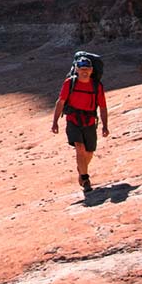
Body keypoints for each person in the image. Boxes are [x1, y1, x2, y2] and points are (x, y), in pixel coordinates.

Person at [51, 55, 109, 191]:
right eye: (82, 69)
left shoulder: (96, 86)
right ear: (76, 69)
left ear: (91, 70)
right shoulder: (69, 83)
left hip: (89, 121)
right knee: (80, 147)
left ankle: (81, 169)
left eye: (87, 69)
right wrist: (55, 122)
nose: (84, 71)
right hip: (73, 120)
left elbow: (103, 107)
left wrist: (105, 125)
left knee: (89, 152)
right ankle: (85, 179)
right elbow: (60, 102)